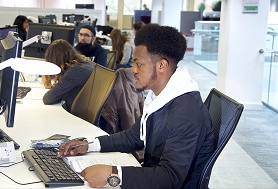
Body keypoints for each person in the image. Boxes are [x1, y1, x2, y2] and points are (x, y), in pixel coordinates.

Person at [58, 24, 215, 189]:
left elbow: (170, 178)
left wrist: (112, 174)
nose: (133, 69)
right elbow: (135, 136)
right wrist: (90, 146)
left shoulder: (186, 113)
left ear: (162, 65)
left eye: (139, 64)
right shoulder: (161, 96)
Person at [42, 39, 95, 112]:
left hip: (80, 114)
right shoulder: (86, 64)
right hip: (90, 111)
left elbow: (48, 99)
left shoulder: (75, 71)